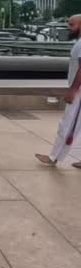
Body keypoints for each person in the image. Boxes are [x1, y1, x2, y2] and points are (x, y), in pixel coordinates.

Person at [36, 14, 81, 169]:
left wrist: (73, 91)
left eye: (72, 24)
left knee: (68, 124)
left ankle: (53, 156)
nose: (69, 27)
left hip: (79, 91)